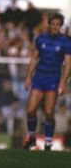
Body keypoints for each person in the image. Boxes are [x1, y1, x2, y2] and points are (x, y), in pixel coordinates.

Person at [23, 13, 71, 151]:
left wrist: (63, 81)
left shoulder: (66, 42)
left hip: (53, 79)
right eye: (53, 24)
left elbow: (68, 64)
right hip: (39, 78)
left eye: (58, 25)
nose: (55, 27)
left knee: (49, 112)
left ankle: (48, 142)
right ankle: (32, 138)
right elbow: (34, 58)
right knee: (31, 110)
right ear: (49, 24)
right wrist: (28, 77)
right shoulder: (40, 38)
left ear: (61, 26)